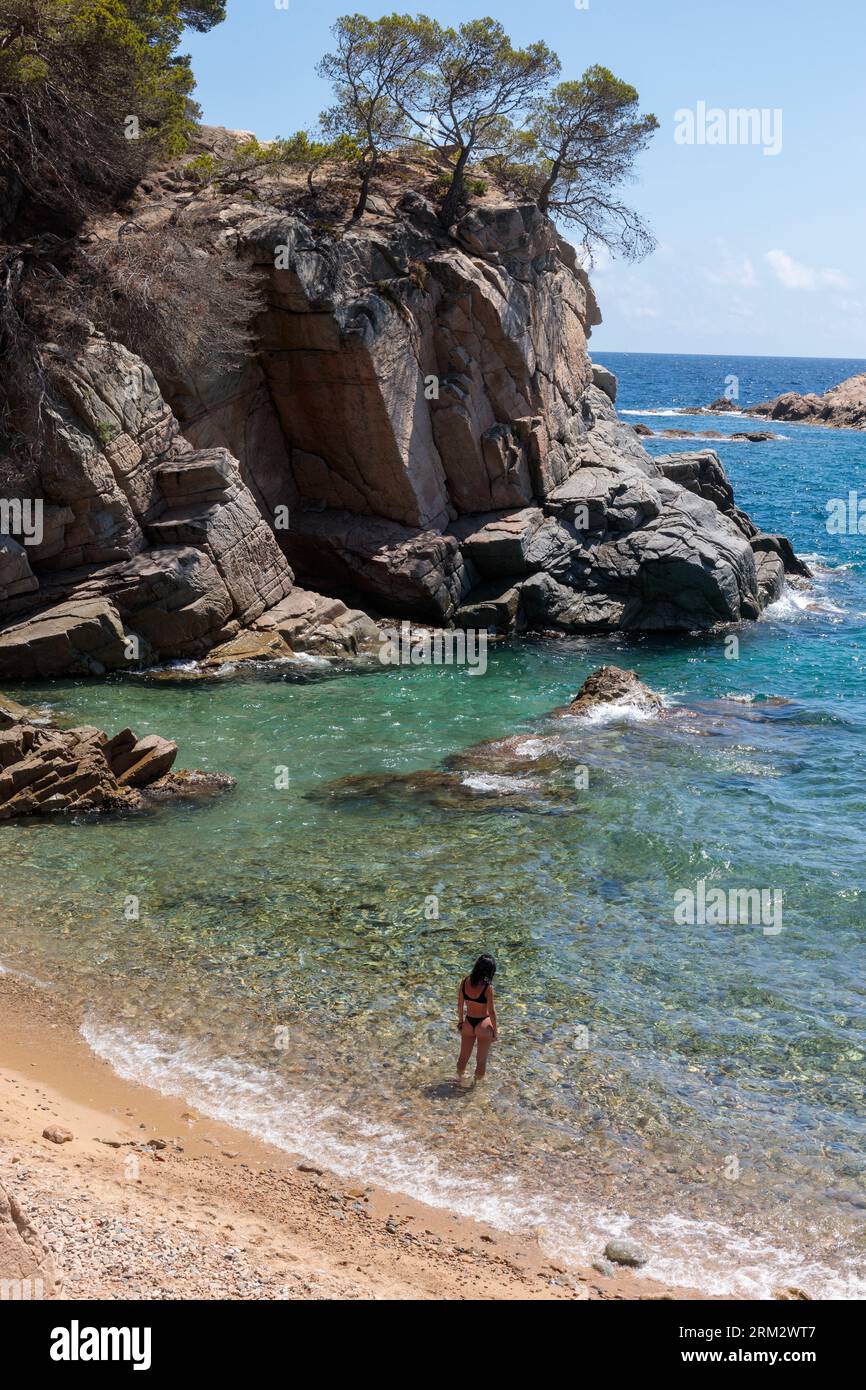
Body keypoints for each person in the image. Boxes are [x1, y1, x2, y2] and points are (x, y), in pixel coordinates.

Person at [456, 954, 497, 1083]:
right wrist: (495, 1031)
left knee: (463, 1058)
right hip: (483, 1025)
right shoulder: (487, 987)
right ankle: (475, 1088)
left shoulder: (465, 981)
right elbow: (491, 1012)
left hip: (468, 1023)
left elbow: (460, 1005)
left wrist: (461, 1021)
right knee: (481, 1061)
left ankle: (458, 1079)